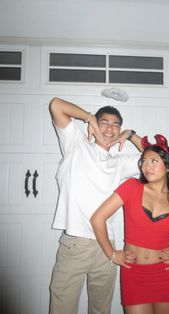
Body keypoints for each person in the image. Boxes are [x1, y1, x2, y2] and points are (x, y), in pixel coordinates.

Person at [90, 134, 169, 314]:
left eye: (154, 161)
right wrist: (112, 254)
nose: (147, 166)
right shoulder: (131, 187)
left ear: (168, 166)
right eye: (144, 161)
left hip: (166, 276)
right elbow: (97, 218)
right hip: (134, 275)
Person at [48, 97, 143, 314]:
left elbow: (159, 157)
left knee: (101, 310)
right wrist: (88, 117)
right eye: (104, 122)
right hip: (75, 245)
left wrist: (130, 134)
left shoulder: (120, 162)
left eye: (115, 124)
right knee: (61, 308)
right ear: (95, 125)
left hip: (106, 247)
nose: (110, 128)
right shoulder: (77, 145)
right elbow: (56, 105)